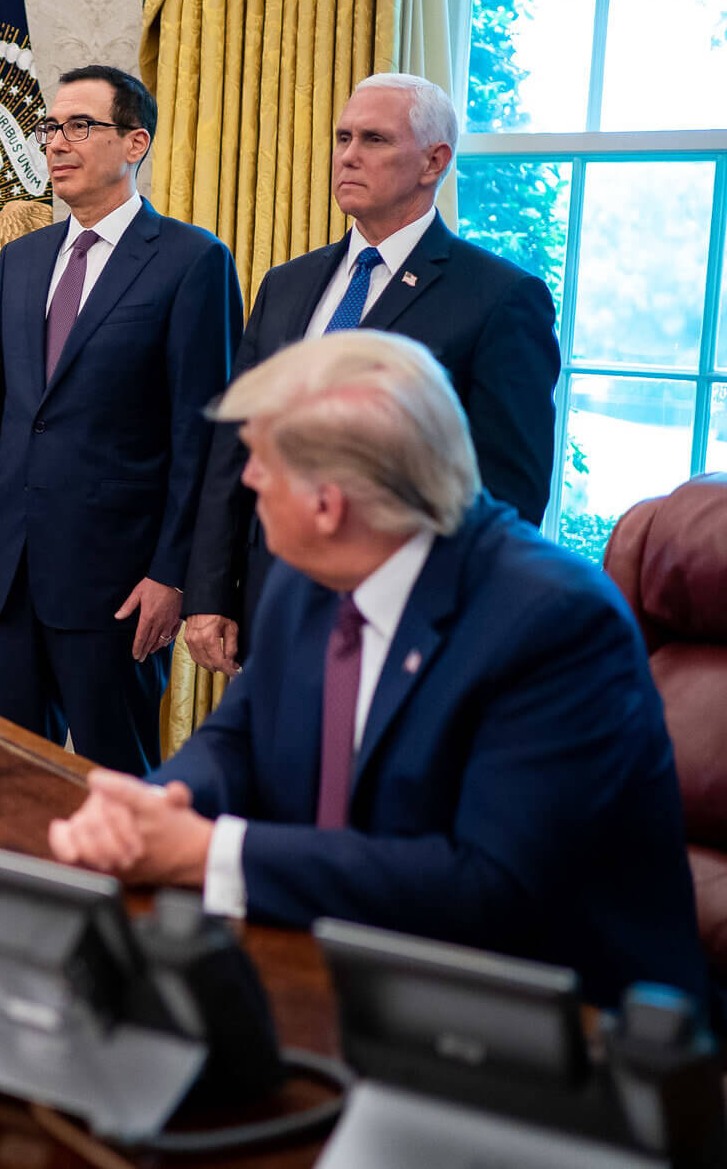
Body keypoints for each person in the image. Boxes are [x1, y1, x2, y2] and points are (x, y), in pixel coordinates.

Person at [47, 331, 706, 1008]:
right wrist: (157, 807)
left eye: (262, 463)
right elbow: (238, 738)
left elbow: (489, 889)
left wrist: (207, 853)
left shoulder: (558, 624)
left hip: (559, 1035)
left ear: (328, 506)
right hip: (337, 968)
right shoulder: (309, 578)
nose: (247, 479)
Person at [181, 73, 559, 678]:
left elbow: (507, 490)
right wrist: (207, 594)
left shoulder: (500, 298)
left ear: (434, 161)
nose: (349, 155)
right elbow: (235, 444)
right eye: (343, 137)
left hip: (402, 619)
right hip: (269, 599)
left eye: (375, 140)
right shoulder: (287, 284)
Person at [0, 65, 241, 773]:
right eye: (50, 127)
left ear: (135, 143)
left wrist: (174, 575)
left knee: (118, 782)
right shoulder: (20, 259)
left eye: (80, 126)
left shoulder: (191, 261)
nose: (55, 143)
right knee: (13, 783)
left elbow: (201, 438)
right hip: (8, 577)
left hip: (119, 587)